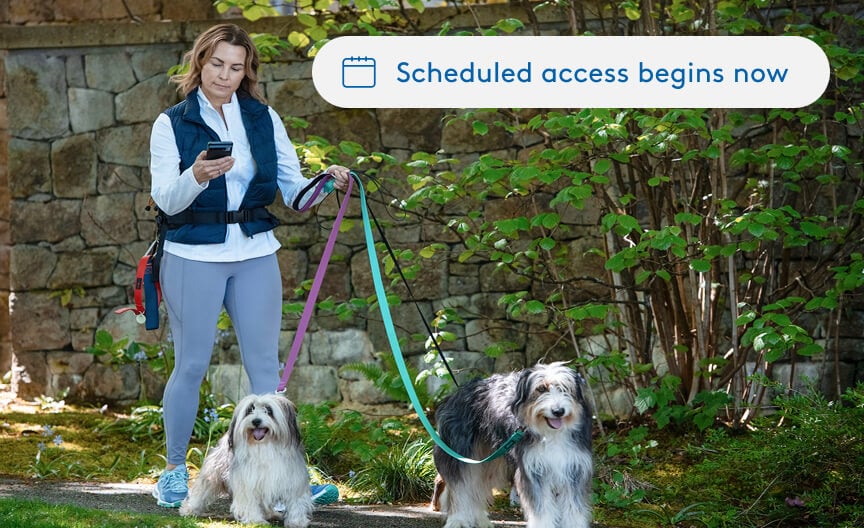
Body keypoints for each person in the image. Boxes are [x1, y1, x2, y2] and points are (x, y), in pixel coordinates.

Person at [148, 23, 349, 509]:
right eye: (217, 63)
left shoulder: (263, 118)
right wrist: (196, 174)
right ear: (200, 63)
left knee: (265, 369)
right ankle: (173, 472)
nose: (225, 75)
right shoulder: (171, 123)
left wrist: (326, 183)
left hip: (255, 251)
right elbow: (166, 199)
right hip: (193, 254)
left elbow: (294, 192)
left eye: (235, 67)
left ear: (246, 72)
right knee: (191, 364)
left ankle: (281, 481)